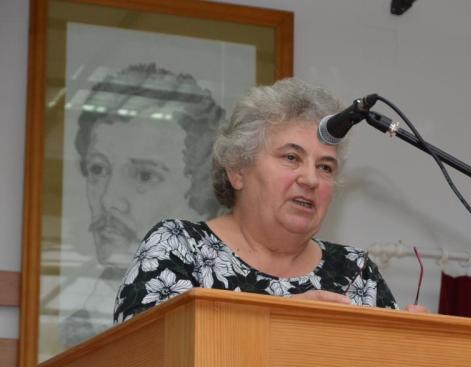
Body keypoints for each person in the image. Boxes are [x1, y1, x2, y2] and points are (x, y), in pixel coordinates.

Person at [114, 78, 422, 322]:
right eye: (291, 157)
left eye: (325, 167)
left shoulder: (356, 271)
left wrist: (417, 346)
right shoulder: (178, 248)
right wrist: (277, 323)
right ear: (238, 169)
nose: (311, 179)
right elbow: (146, 360)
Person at [62, 63, 226, 346]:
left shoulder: (224, 322)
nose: (108, 200)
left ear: (201, 195)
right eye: (98, 169)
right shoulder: (82, 326)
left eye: (144, 176)